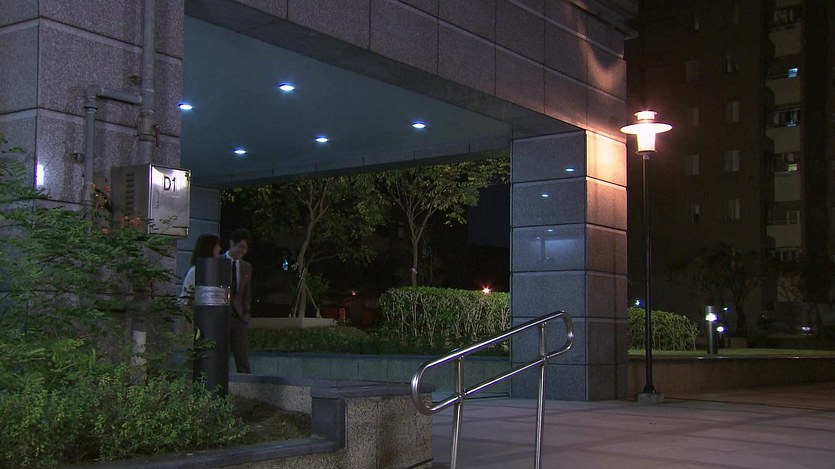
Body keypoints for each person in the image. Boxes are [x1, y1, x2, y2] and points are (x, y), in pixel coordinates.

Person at [224, 228, 253, 374]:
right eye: (241, 246)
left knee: (242, 358)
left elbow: (246, 293)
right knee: (221, 355)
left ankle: (247, 384)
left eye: (246, 248)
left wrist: (246, 314)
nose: (243, 251)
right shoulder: (218, 262)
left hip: (239, 317)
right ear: (232, 244)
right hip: (221, 316)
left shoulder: (246, 267)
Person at [178, 234, 222, 306]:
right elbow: (186, 298)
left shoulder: (212, 270)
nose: (220, 248)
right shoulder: (195, 271)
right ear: (209, 247)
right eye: (217, 245)